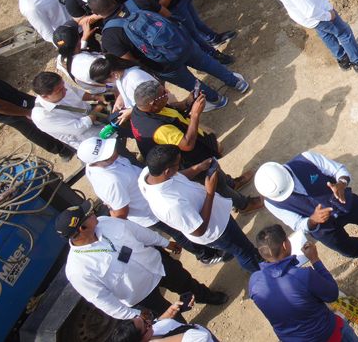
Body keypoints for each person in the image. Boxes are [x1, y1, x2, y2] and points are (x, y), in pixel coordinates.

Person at [254, 151, 358, 281]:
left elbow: (339, 170)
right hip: (322, 227)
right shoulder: (271, 202)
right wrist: (312, 220)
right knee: (342, 246)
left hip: (344, 202)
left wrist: (341, 184)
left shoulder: (306, 159)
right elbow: (296, 223)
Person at [58, 199, 225, 321]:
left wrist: (165, 243)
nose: (94, 213)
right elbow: (102, 300)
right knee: (172, 321)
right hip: (141, 296)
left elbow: (138, 232)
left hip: (157, 264)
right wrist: (135, 315)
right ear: (82, 229)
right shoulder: (78, 269)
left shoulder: (104, 222)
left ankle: (207, 297)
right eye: (89, 215)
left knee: (186, 283)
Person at [78, 135, 226, 264]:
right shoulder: (110, 181)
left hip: (150, 192)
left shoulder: (105, 163)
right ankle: (205, 255)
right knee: (180, 232)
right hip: (150, 211)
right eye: (106, 154)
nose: (113, 152)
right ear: (95, 162)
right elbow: (120, 214)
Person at [89, 0, 246, 109]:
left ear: (95, 13)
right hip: (181, 43)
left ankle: (217, 100)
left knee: (191, 83)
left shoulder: (109, 36)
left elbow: (129, 61)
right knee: (207, 63)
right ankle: (237, 83)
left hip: (162, 65)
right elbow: (167, 15)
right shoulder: (137, 1)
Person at [130, 79, 260, 213]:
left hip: (192, 150)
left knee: (217, 172)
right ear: (153, 103)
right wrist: (195, 115)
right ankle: (244, 205)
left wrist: (187, 102)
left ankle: (232, 184)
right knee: (216, 184)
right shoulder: (159, 129)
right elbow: (187, 144)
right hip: (187, 160)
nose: (167, 93)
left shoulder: (142, 109)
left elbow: (169, 109)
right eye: (163, 94)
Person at [139, 145, 262, 274]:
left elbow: (177, 176)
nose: (179, 166)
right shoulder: (171, 205)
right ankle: (260, 272)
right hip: (217, 230)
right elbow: (199, 230)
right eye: (178, 164)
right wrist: (210, 193)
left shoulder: (148, 174)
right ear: (167, 171)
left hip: (217, 214)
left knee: (243, 247)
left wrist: (198, 168)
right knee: (244, 251)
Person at [248, 224, 358, 342]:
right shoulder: (304, 276)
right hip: (326, 334)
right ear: (285, 245)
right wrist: (315, 260)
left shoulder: (254, 281)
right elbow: (332, 294)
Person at [0, 70, 73, 156]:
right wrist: (27, 112)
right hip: (5, 105)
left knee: (26, 122)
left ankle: (63, 148)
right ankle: (64, 148)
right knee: (31, 123)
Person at [30, 70, 103, 149]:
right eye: (60, 91)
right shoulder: (42, 117)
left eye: (63, 86)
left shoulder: (59, 85)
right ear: (45, 96)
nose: (65, 90)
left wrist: (96, 97)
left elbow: (78, 93)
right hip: (91, 138)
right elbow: (79, 128)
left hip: (94, 115)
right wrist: (99, 108)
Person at [53, 22, 111, 95]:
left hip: (96, 90)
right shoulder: (92, 62)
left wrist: (85, 37)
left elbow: (76, 54)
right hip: (111, 87)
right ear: (78, 41)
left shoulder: (60, 59)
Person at [106, 310, 220, 342]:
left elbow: (157, 323)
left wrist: (170, 312)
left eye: (142, 318)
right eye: (146, 324)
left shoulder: (150, 332)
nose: (149, 322)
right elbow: (200, 336)